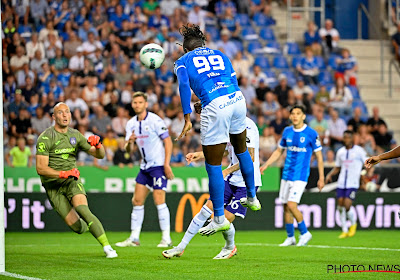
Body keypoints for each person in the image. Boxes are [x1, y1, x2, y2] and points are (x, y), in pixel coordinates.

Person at [174, 25, 260, 236]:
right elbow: (231, 80)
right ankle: (252, 197)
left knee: (213, 166)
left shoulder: (183, 61)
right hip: (238, 99)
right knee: (241, 149)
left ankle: (219, 218)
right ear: (203, 44)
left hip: (215, 106)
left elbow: (184, 84)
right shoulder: (221, 54)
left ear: (186, 49)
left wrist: (187, 116)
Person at [162, 115, 261, 259]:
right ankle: (180, 247)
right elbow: (226, 150)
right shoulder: (227, 123)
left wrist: (226, 170)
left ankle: (229, 247)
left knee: (221, 218)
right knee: (205, 210)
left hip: (246, 182)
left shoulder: (248, 127)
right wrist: (200, 155)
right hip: (231, 179)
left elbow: (250, 158)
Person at [35, 102, 117, 258]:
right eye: (60, 112)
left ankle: (108, 248)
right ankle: (90, 225)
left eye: (67, 112)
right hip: (53, 187)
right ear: (54, 117)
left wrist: (98, 145)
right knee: (78, 228)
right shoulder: (45, 137)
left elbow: (100, 155)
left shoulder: (75, 135)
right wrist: (62, 174)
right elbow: (41, 168)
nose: (65, 115)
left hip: (72, 181)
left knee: (83, 210)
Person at [116, 91, 175, 248]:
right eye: (135, 103)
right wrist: (129, 142)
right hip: (144, 166)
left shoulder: (155, 120)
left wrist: (166, 164)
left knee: (159, 200)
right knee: (137, 200)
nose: (137, 105)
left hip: (158, 166)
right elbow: (128, 151)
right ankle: (134, 238)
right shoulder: (131, 124)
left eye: (140, 102)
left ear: (146, 104)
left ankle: (166, 238)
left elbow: (168, 142)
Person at [260, 105, 325, 246]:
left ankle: (305, 233)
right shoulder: (287, 131)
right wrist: (266, 164)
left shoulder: (311, 133)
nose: (295, 116)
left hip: (300, 175)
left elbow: (319, 157)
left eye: (298, 113)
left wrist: (321, 178)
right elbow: (278, 151)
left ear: (303, 116)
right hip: (286, 174)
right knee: (285, 206)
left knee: (291, 204)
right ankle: (290, 237)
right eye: (293, 113)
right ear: (290, 116)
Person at [326, 130, 368, 238]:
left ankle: (353, 224)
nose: (346, 139)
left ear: (352, 138)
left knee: (347, 205)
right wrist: (330, 174)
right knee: (340, 206)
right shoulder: (340, 152)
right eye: (345, 137)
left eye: (348, 137)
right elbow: (338, 167)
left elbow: (368, 162)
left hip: (353, 183)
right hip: (341, 183)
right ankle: (344, 229)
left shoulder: (359, 151)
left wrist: (365, 174)